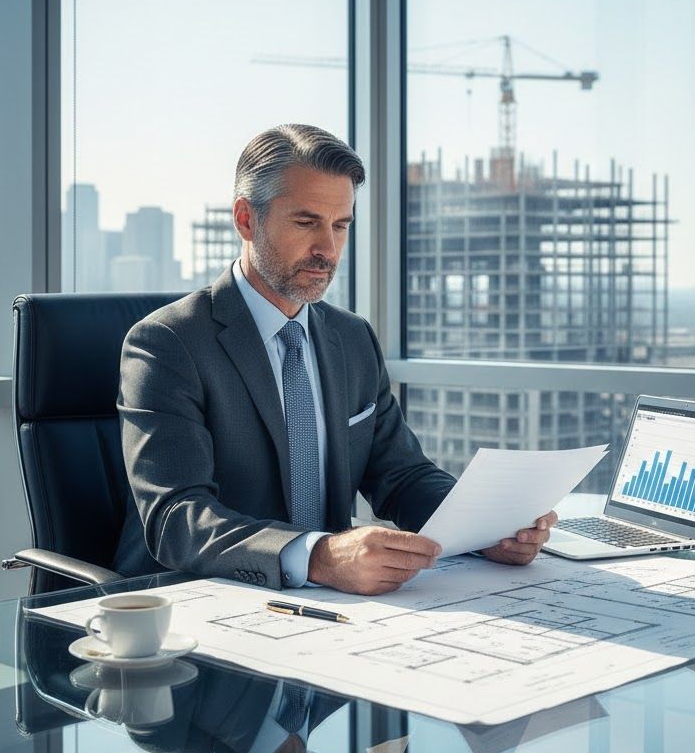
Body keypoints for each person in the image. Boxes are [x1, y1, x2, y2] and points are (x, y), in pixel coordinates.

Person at [116, 124, 556, 593]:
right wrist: (319, 556)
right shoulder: (167, 343)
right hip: (194, 603)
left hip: (327, 608)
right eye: (306, 223)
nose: (327, 248)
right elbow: (177, 518)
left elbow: (401, 475)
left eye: (340, 225)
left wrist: (488, 529)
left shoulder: (351, 338)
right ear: (246, 219)